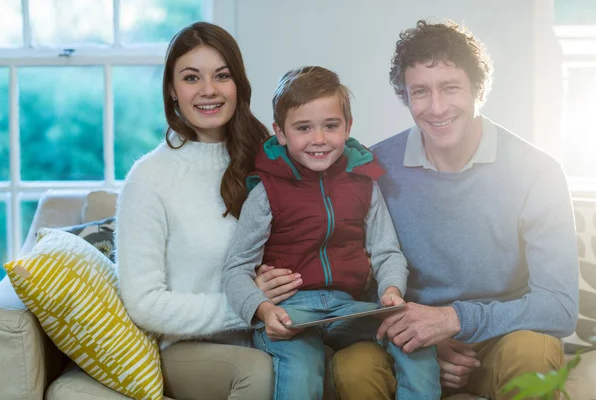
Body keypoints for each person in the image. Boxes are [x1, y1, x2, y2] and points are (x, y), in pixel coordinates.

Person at [329, 19, 579, 400]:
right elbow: (355, 284)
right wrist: (420, 341)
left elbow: (559, 307)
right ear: (405, 97)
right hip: (408, 341)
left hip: (500, 339)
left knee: (535, 350)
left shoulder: (537, 172)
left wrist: (453, 321)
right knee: (352, 367)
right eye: (421, 92)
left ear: (478, 89)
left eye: (450, 88)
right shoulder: (375, 167)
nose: (437, 107)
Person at [223, 66, 441, 400]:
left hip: (348, 307)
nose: (319, 139)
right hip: (290, 312)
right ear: (280, 133)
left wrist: (392, 291)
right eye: (303, 128)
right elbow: (236, 268)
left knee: (412, 337)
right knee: (303, 369)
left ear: (348, 127)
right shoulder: (266, 191)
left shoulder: (363, 182)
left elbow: (386, 252)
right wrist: (264, 311)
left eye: (331, 126)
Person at [115, 21, 278, 400]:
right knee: (259, 371)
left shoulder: (269, 159)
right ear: (172, 90)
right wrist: (248, 306)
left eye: (221, 75)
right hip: (190, 350)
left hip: (274, 330)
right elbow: (144, 303)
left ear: (238, 83)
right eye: (192, 78)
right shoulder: (149, 179)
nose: (209, 90)